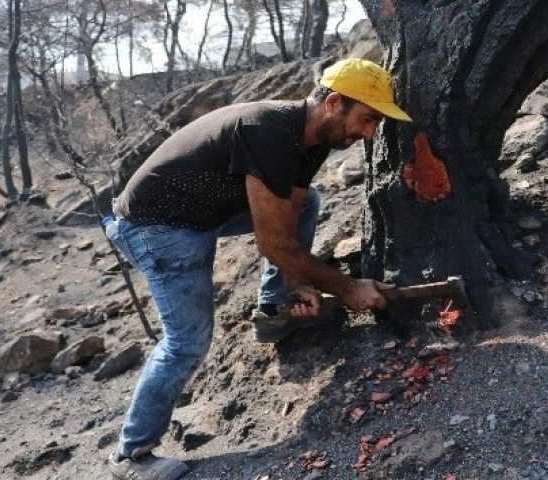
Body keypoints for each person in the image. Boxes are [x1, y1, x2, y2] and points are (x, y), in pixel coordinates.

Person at [102, 58, 412, 479]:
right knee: (186, 342)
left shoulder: (316, 139)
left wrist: (297, 283)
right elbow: (273, 243)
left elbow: (290, 214)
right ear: (335, 103)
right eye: (368, 118)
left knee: (311, 205)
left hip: (202, 213)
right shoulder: (270, 131)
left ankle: (274, 310)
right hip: (156, 226)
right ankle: (131, 455)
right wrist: (347, 288)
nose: (370, 133)